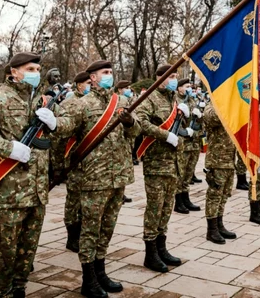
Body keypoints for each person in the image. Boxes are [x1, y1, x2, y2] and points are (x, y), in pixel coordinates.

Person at [0, 52, 73, 298]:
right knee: (3, 253)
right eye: (30, 68)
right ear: (14, 72)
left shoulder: (41, 100)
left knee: (27, 251)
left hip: (37, 191)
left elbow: (67, 127)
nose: (36, 73)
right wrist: (8, 148)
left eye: (37, 69)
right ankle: (0, 292)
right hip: (7, 191)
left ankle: (19, 288)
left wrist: (55, 124)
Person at [64, 60, 140, 297]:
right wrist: (65, 168)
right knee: (90, 229)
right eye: (105, 73)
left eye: (111, 72)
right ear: (93, 78)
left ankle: (101, 270)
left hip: (119, 175)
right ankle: (88, 279)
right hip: (93, 178)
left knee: (108, 227)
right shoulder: (80, 104)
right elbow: (62, 137)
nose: (110, 75)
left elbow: (136, 133)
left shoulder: (123, 102)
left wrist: (130, 123)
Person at [133, 65, 183, 273]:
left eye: (175, 76)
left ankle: (162, 247)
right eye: (170, 76)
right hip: (156, 163)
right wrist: (164, 135)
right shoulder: (149, 98)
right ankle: (150, 253)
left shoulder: (173, 98)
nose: (173, 80)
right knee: (154, 208)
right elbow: (140, 124)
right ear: (160, 77)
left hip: (173, 162)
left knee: (166, 207)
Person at [56, 71, 90, 254]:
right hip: (74, 160)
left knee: (86, 201)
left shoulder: (91, 101)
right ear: (79, 85)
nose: (90, 86)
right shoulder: (70, 103)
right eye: (87, 83)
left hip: (91, 162)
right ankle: (72, 236)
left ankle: (82, 233)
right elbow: (61, 137)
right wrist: (60, 165)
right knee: (74, 200)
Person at [202, 103, 238, 243]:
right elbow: (211, 118)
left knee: (224, 195)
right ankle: (211, 230)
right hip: (217, 160)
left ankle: (219, 224)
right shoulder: (212, 107)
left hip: (229, 159)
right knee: (214, 196)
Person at [173, 78, 201, 214]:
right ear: (179, 88)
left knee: (189, 172)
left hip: (193, 142)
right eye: (186, 86)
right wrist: (184, 132)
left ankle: (186, 198)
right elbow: (173, 124)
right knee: (181, 172)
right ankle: (178, 201)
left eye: (190, 86)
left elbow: (196, 123)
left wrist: (198, 118)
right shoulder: (175, 100)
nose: (189, 88)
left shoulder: (192, 100)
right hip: (182, 142)